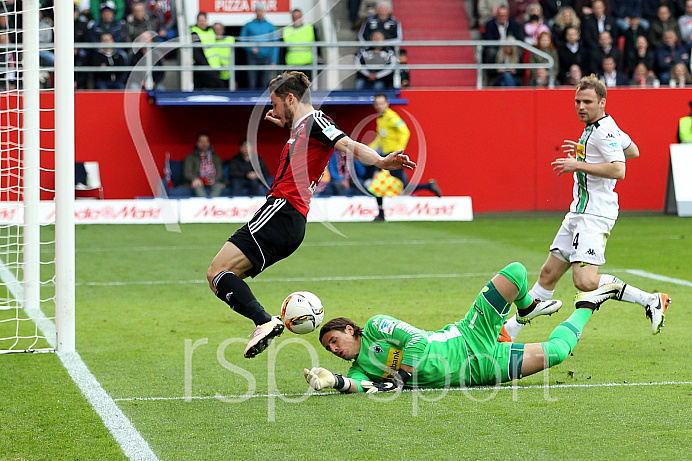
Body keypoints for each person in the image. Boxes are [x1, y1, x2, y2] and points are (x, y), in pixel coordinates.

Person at [206, 71, 415, 359]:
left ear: (290, 98)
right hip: (290, 219)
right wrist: (288, 126)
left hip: (281, 210)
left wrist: (380, 160)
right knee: (225, 275)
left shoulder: (316, 121)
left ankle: (264, 321)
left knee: (216, 272)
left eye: (276, 103)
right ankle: (262, 321)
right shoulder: (303, 127)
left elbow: (346, 144)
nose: (273, 109)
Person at [499, 75, 671, 345]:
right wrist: (584, 152)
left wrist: (578, 164)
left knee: (585, 281)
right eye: (578, 101)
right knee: (548, 273)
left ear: (602, 102)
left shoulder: (603, 131)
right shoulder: (601, 127)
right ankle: (509, 331)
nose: (581, 106)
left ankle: (652, 300)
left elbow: (619, 168)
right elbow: (633, 150)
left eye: (588, 102)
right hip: (578, 213)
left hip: (594, 214)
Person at [304, 261, 622, 393]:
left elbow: (417, 340)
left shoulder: (375, 327)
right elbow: (363, 387)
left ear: (349, 329)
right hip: (479, 370)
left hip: (468, 336)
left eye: (333, 340)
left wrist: (400, 377)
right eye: (329, 349)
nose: (334, 349)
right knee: (558, 353)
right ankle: (588, 303)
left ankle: (526, 306)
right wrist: (334, 380)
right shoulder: (363, 368)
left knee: (514, 272)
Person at [367, 93, 441, 221]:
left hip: (393, 156)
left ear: (387, 104)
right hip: (386, 156)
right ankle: (381, 214)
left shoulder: (391, 117)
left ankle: (428, 186)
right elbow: (380, 138)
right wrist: (369, 148)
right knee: (379, 185)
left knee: (400, 188)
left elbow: (405, 132)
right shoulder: (381, 119)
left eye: (381, 103)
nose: (379, 106)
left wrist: (399, 151)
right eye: (377, 104)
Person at [240, 3, 278, 90]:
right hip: (252, 57)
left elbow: (275, 43)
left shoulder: (270, 26)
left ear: (264, 11)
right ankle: (251, 102)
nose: (259, 12)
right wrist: (250, 49)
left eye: (261, 10)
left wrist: (274, 60)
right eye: (258, 10)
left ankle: (263, 102)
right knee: (252, 82)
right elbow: (242, 40)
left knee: (265, 83)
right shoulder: (248, 25)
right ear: (255, 12)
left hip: (266, 58)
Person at [281, 9, 321, 81]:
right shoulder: (286, 30)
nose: (297, 19)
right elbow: (283, 49)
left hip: (308, 63)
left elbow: (318, 43)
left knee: (307, 87)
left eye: (298, 17)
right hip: (292, 64)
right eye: (295, 17)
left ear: (302, 17)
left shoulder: (310, 28)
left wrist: (319, 55)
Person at [183, 132, 226, 197]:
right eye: (202, 142)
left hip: (213, 180)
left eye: (206, 142)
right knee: (197, 185)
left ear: (209, 143)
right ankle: (204, 204)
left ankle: (210, 205)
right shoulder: (191, 157)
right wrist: (195, 179)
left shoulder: (216, 157)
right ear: (197, 143)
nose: (204, 144)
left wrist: (214, 179)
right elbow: (187, 173)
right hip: (198, 180)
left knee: (219, 186)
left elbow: (220, 172)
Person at [190, 12, 225, 89]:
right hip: (204, 68)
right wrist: (207, 67)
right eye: (200, 20)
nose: (202, 22)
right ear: (197, 21)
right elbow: (197, 53)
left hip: (215, 67)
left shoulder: (210, 31)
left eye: (204, 20)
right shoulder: (194, 33)